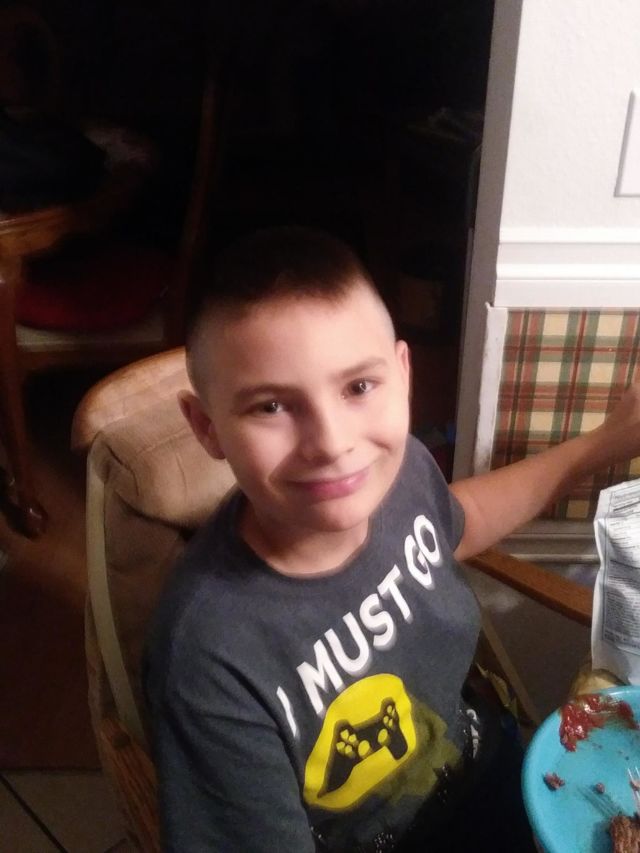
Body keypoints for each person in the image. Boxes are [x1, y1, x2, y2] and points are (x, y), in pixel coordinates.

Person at [143, 226, 640, 852]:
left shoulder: (397, 473)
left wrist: (608, 439)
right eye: (271, 406)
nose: (332, 443)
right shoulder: (209, 662)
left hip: (486, 768)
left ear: (402, 375)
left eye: (358, 387)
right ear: (206, 426)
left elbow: (456, 520)